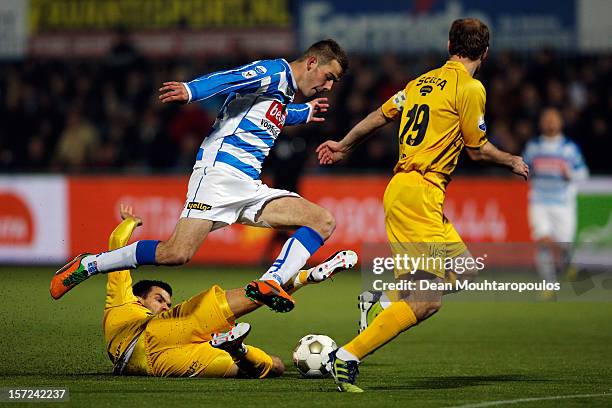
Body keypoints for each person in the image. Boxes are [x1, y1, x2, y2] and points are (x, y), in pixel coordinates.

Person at [51, 40, 349, 313]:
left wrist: (304, 113)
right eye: (329, 77)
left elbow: (275, 113)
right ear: (311, 63)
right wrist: (191, 90)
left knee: (322, 221)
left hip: (249, 185)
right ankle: (90, 264)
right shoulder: (275, 72)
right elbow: (231, 77)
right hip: (218, 176)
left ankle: (271, 281)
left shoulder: (282, 92)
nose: (329, 87)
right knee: (176, 254)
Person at [316, 18, 529, 392]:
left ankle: (381, 299)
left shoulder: (420, 84)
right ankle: (347, 356)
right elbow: (477, 151)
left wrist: (345, 144)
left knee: (463, 272)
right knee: (428, 300)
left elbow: (378, 117)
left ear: (449, 45)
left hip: (410, 190)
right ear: (486, 52)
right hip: (419, 192)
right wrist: (511, 159)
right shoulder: (470, 87)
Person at [99, 205, 357, 378]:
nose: (165, 305)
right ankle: (240, 346)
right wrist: (130, 222)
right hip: (167, 348)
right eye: (159, 299)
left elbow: (115, 248)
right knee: (272, 361)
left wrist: (130, 224)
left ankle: (301, 281)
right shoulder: (123, 303)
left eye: (166, 301)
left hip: (165, 348)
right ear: (138, 298)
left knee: (269, 346)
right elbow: (114, 248)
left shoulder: (123, 310)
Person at [522, 107, 588, 298]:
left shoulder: (569, 148)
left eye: (553, 118)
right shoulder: (533, 147)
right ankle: (548, 286)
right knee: (542, 240)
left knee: (564, 244)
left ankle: (569, 262)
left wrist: (570, 174)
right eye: (546, 118)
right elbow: (524, 169)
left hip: (562, 203)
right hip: (539, 201)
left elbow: (583, 173)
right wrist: (525, 173)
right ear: (541, 123)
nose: (550, 122)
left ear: (560, 122)